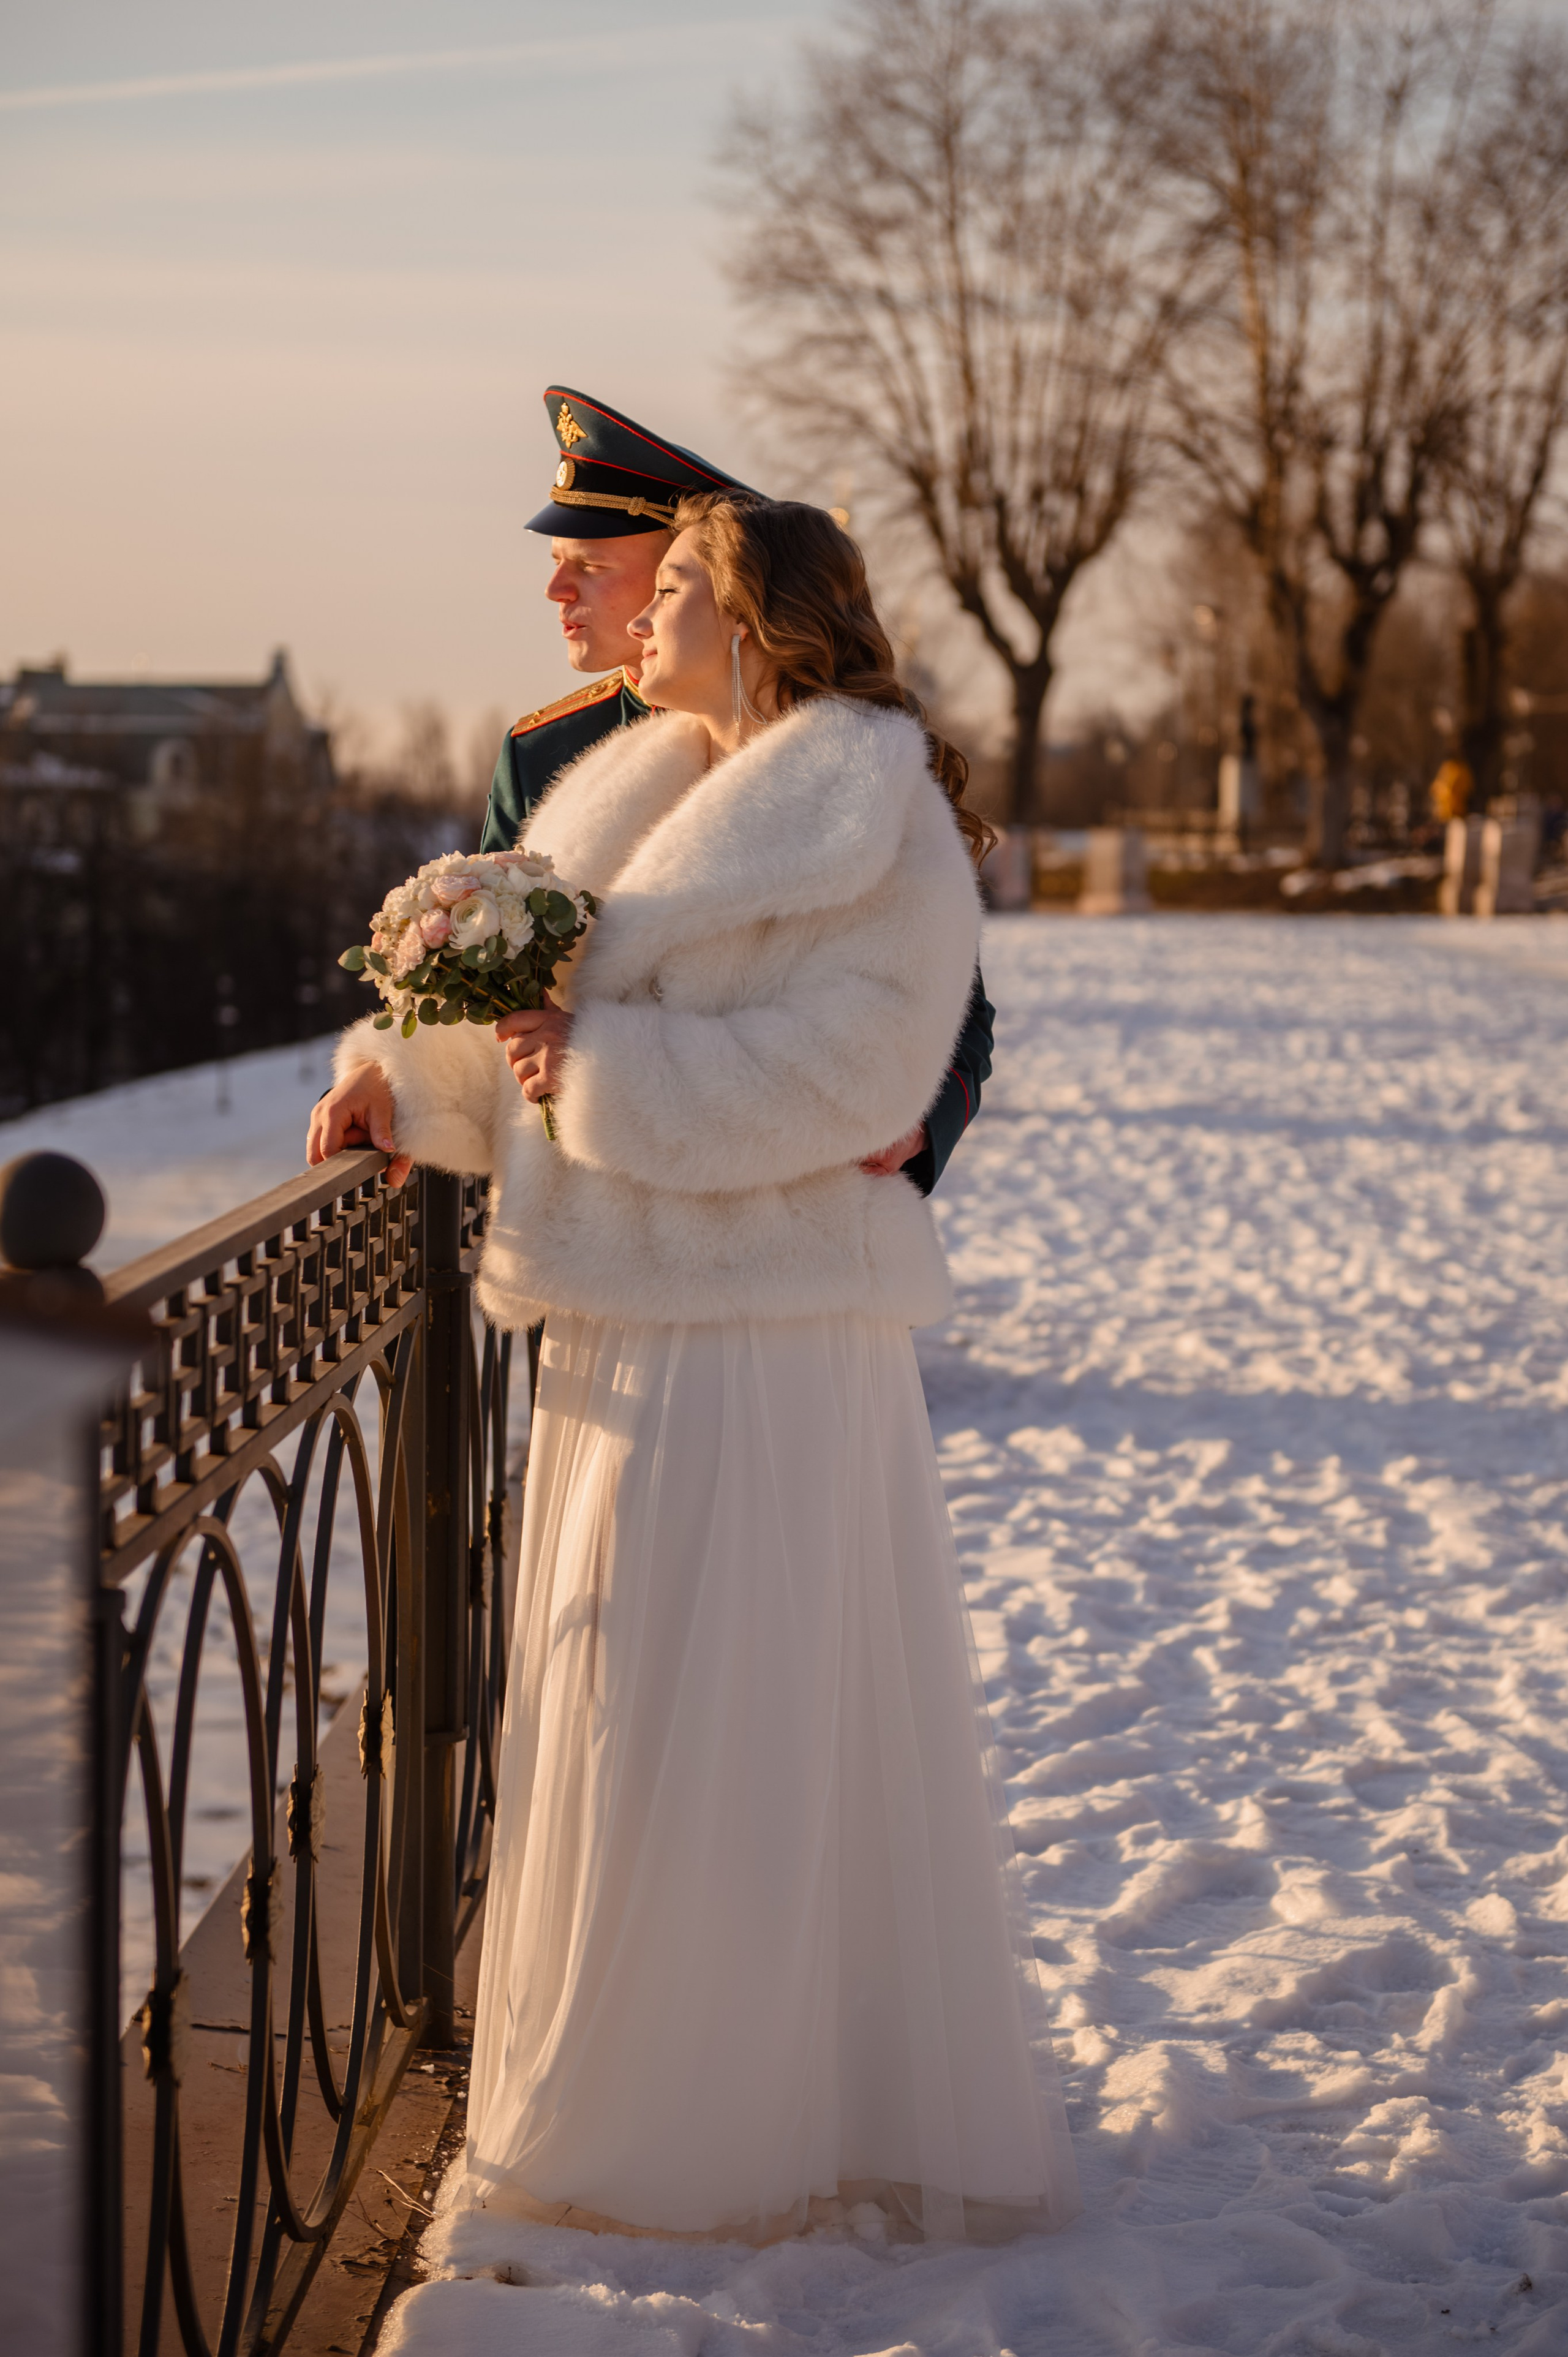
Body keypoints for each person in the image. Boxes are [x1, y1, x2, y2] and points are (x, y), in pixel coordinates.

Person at [307, 492, 1079, 2244]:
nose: (634, 620)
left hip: (775, 1336)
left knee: (742, 1720)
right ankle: (644, 2097)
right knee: (627, 1711)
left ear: (758, 619)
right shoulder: (636, 787)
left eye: (671, 594)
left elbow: (863, 1074)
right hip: (629, 1322)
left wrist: (608, 1074)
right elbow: (527, 1014)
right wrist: (405, 1085)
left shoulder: (876, 809)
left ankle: (717, 2133)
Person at [482, 385, 993, 1197]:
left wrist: (913, 1123)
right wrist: (395, 1081)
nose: (558, 593)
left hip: (769, 1227)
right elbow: (495, 985)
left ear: (727, 591)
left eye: (594, 567)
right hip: (592, 1223)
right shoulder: (547, 751)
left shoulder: (859, 761)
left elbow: (930, 1001)